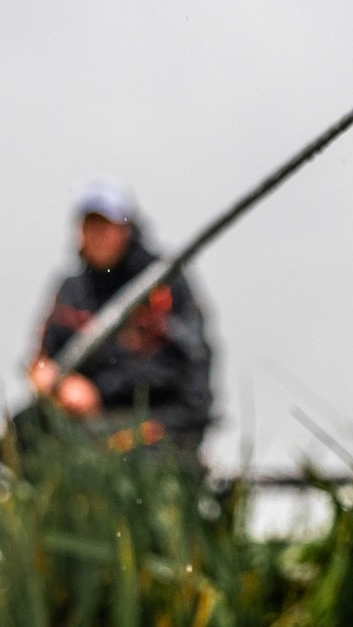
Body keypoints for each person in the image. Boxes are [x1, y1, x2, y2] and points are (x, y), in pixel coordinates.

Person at [27, 179, 215, 457]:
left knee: (124, 456)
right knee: (24, 429)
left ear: (126, 229)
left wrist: (98, 393)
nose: (97, 234)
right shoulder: (71, 289)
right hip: (85, 422)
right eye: (90, 225)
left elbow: (179, 368)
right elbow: (43, 357)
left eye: (106, 225)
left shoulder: (162, 284)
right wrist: (50, 380)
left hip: (160, 420)